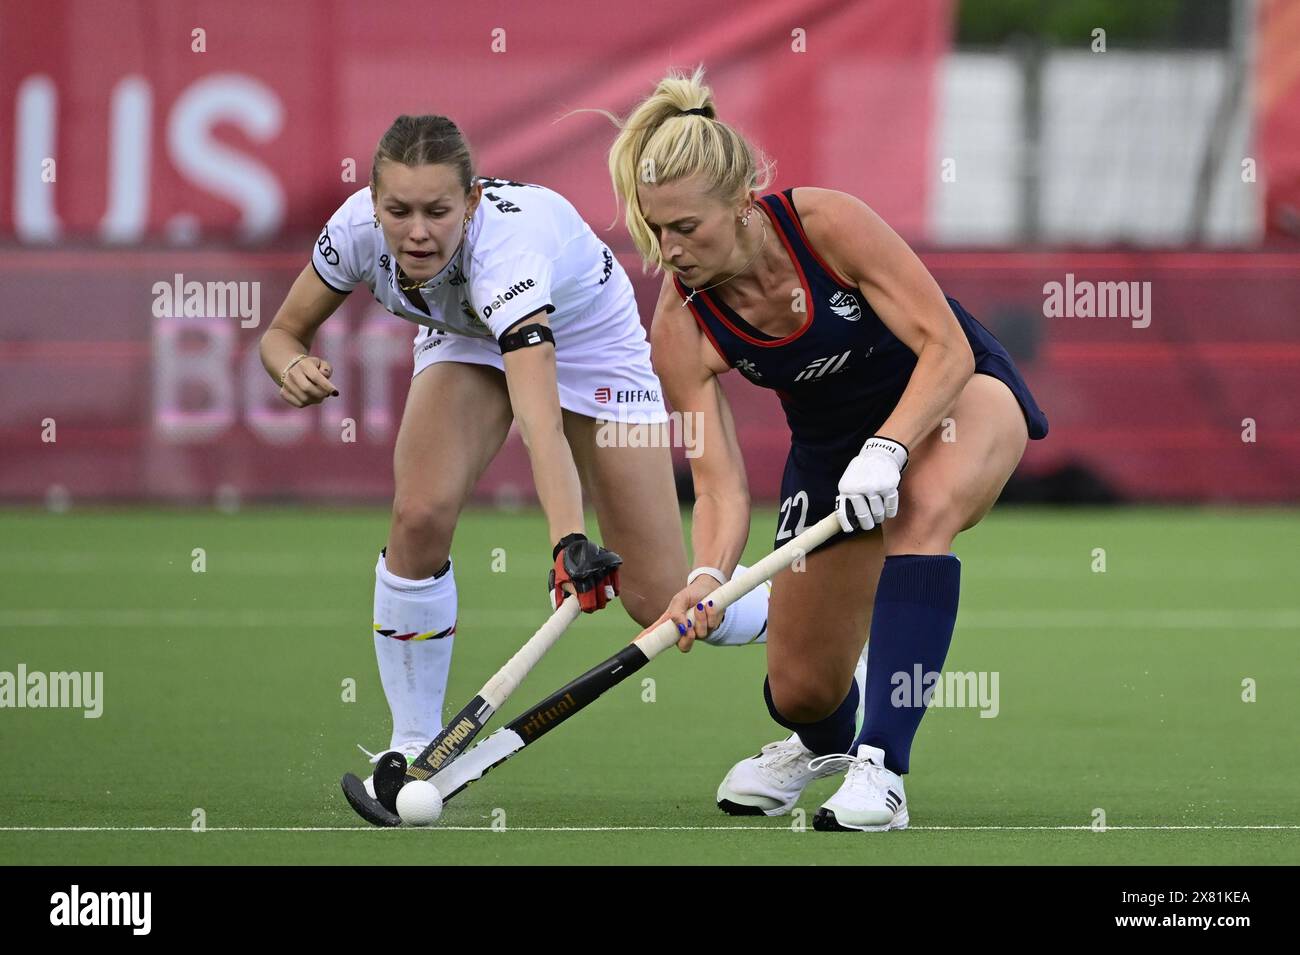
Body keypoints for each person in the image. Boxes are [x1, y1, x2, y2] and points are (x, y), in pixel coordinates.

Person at [259, 115, 767, 787]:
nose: (416, 231)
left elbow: (539, 418)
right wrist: (290, 364)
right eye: (398, 210)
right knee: (418, 513)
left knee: (658, 598)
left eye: (438, 211)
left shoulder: (509, 258)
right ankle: (412, 743)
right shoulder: (355, 233)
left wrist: (568, 543)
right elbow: (281, 334)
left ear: (469, 204)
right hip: (465, 333)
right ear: (373, 203)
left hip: (589, 337)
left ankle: (804, 618)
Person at [609, 69, 1049, 831]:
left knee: (920, 517)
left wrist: (890, 448)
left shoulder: (826, 225)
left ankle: (882, 770)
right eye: (658, 229)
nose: (670, 250)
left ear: (743, 202)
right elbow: (717, 485)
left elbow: (943, 345)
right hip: (831, 451)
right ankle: (823, 746)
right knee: (803, 689)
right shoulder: (680, 329)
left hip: (955, 395)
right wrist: (709, 577)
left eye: (688, 227)